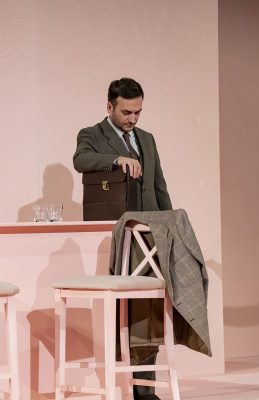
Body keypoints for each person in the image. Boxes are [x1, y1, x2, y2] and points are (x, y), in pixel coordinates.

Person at [73, 77, 172, 400]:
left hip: (149, 236)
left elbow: (158, 187)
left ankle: (145, 389)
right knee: (119, 312)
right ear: (109, 107)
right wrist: (116, 160)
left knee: (147, 312)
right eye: (126, 112)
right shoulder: (92, 135)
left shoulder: (147, 139)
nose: (133, 119)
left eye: (138, 112)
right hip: (116, 236)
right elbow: (81, 160)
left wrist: (168, 225)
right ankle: (116, 386)